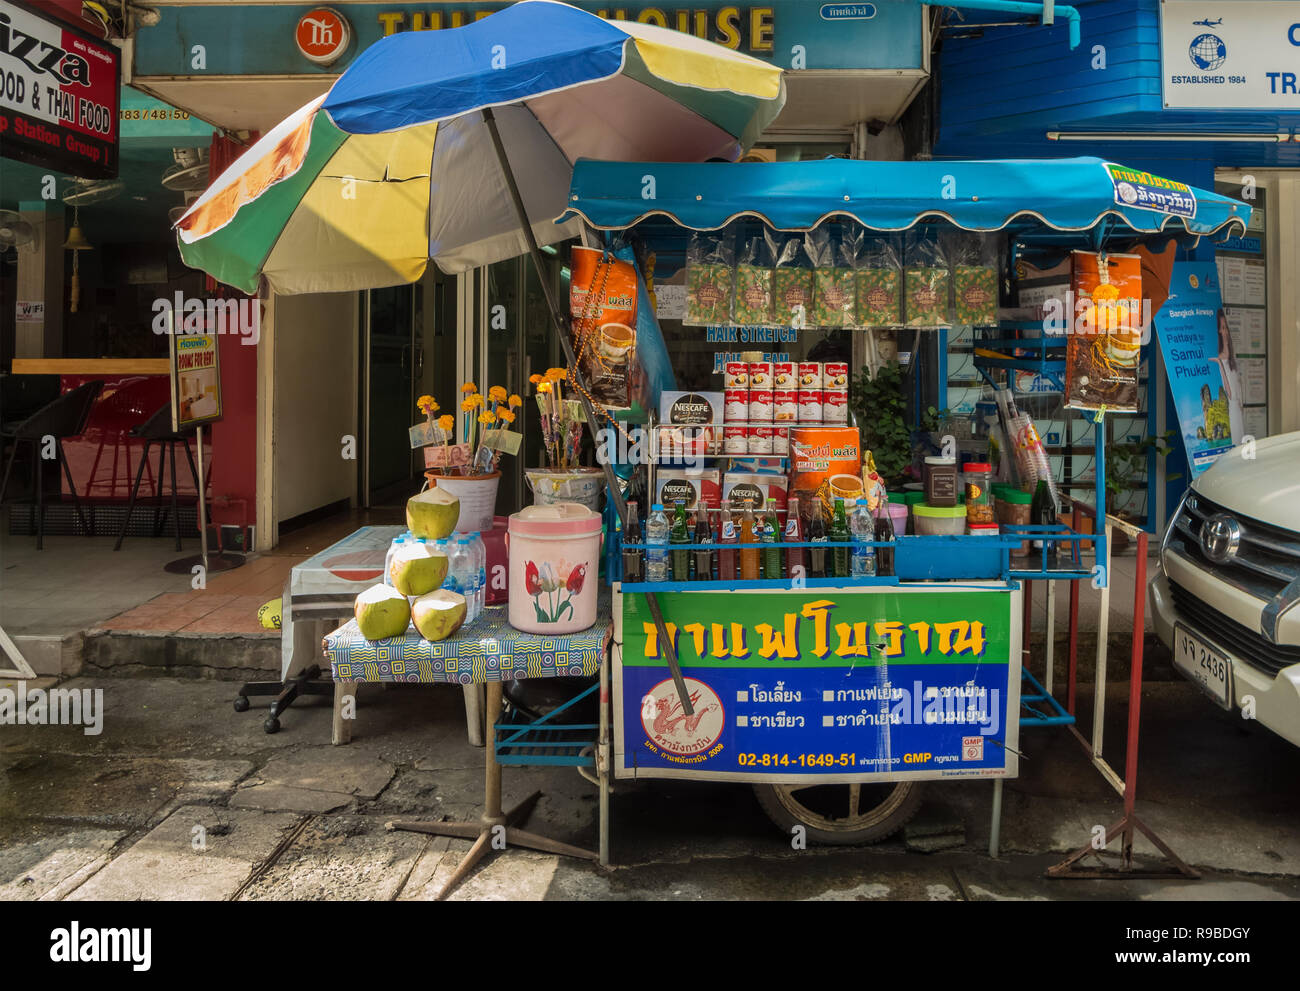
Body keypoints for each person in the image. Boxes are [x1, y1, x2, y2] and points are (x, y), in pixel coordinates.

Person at [1211, 308, 1245, 443]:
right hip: (1233, 407)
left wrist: (1241, 402)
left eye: (1226, 327)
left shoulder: (1232, 355)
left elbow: (1238, 382)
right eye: (1223, 328)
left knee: (1241, 442)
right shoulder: (1222, 357)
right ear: (1219, 330)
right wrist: (1219, 364)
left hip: (1238, 406)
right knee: (1237, 442)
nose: (1225, 331)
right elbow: (1228, 390)